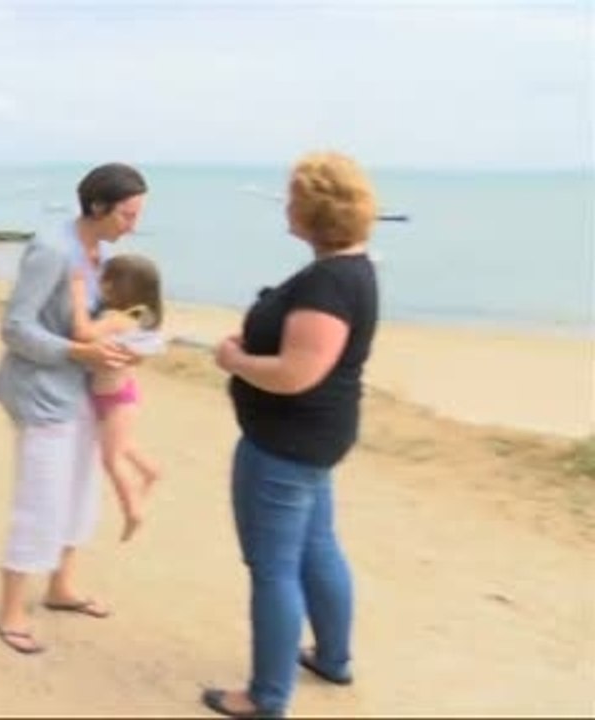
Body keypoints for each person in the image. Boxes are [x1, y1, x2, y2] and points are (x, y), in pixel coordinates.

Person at [201, 151, 380, 718]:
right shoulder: (351, 269)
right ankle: (332, 657)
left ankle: (266, 696)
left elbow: (297, 373)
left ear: (314, 212)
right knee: (316, 546)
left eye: (293, 199)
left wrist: (233, 359)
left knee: (273, 565)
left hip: (287, 442)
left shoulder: (329, 284)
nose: (286, 206)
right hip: (314, 439)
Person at [0, 162, 148, 655]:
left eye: (138, 214)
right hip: (41, 392)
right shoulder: (51, 250)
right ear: (98, 206)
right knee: (41, 498)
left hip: (80, 390)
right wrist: (80, 352)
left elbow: (88, 322)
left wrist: (126, 343)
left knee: (80, 490)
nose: (133, 225)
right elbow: (15, 328)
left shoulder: (95, 253)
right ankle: (11, 610)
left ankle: (61, 587)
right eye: (127, 213)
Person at [68, 253, 166, 542]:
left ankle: (133, 510)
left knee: (111, 458)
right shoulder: (135, 317)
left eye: (103, 280)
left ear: (115, 287)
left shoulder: (117, 319)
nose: (99, 285)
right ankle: (150, 471)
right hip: (108, 398)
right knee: (121, 446)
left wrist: (77, 291)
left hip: (119, 399)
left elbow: (83, 333)